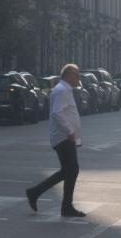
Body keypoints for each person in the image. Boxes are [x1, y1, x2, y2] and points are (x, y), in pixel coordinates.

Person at [25, 63, 85, 217]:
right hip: (63, 137)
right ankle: (66, 206)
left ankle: (35, 192)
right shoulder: (62, 90)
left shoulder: (64, 89)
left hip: (64, 136)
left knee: (68, 171)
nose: (78, 77)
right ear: (69, 75)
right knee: (72, 170)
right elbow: (57, 113)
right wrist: (70, 131)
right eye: (76, 74)